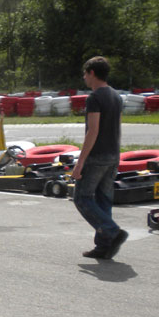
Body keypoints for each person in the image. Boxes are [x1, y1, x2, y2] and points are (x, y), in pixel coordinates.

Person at [70, 56, 128, 259]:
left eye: (85, 74)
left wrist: (80, 163)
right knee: (104, 201)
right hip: (113, 154)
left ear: (92, 73)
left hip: (97, 156)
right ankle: (104, 246)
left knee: (82, 198)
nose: (84, 78)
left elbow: (92, 131)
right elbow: (117, 128)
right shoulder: (116, 96)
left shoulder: (94, 98)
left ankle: (111, 231)